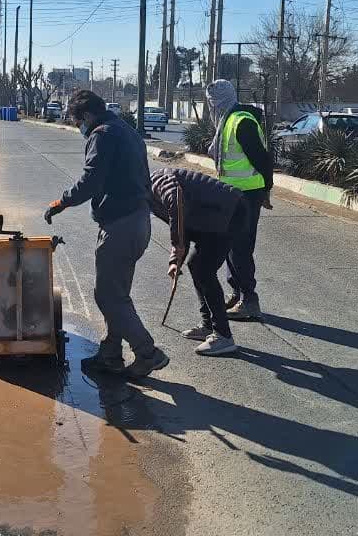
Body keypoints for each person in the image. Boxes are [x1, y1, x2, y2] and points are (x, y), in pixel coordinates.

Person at [44, 89, 169, 378]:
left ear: (86, 115)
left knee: (107, 296)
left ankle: (147, 353)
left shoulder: (102, 134)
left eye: (77, 122)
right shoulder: (125, 129)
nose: (78, 128)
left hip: (120, 226)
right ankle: (111, 354)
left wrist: (61, 202)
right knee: (118, 295)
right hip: (138, 221)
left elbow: (91, 180)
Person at [148, 168, 248, 356]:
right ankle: (208, 325)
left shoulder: (157, 180)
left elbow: (176, 203)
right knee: (196, 265)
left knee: (204, 270)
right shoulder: (149, 197)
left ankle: (223, 336)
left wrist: (177, 246)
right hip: (212, 219)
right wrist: (175, 260)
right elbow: (180, 223)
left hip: (229, 212)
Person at [205, 79, 274, 321]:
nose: (211, 108)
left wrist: (267, 191)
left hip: (246, 194)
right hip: (232, 194)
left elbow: (263, 159)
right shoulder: (228, 120)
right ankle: (237, 293)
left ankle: (249, 299)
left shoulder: (241, 121)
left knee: (240, 248)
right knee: (230, 248)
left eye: (212, 104)